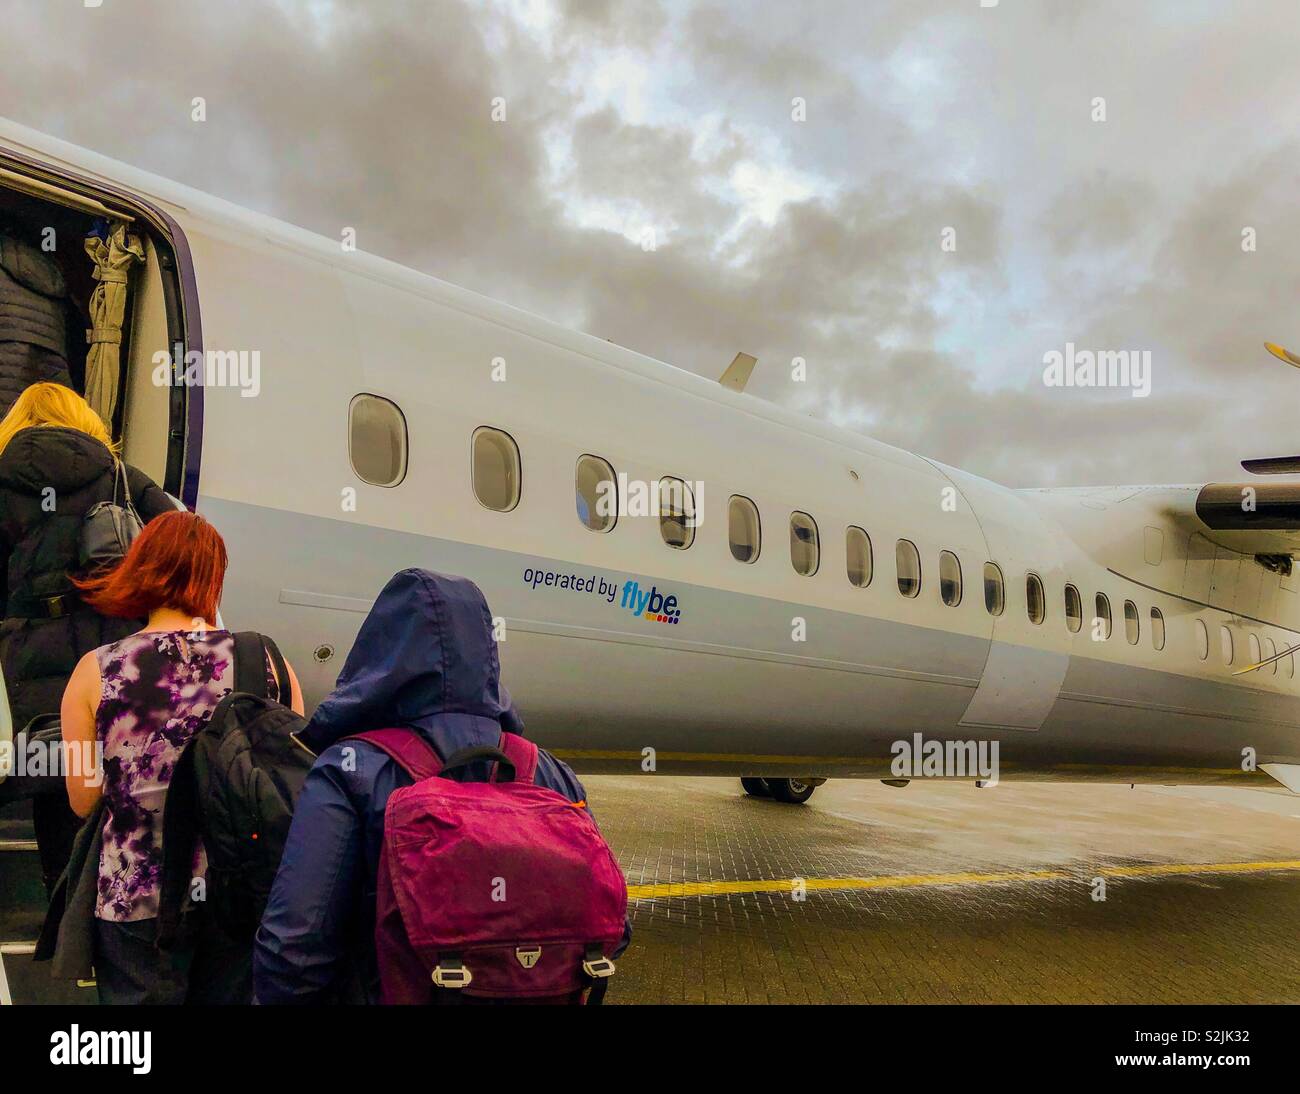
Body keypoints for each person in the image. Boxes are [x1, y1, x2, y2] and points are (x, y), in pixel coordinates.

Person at [254, 568, 630, 1004]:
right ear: (487, 655)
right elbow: (615, 931)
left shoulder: (349, 770)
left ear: (379, 650)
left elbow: (295, 952)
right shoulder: (550, 774)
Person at [60, 510, 303, 1004]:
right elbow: (293, 781)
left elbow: (84, 800)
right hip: (238, 894)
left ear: (142, 569)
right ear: (214, 577)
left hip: (134, 901)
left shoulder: (94, 671)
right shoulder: (267, 660)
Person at [0, 381, 174, 893]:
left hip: (32, 650)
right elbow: (175, 551)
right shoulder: (120, 476)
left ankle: (61, 897)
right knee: (116, 767)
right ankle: (114, 899)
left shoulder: (4, 477)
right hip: (113, 645)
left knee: (52, 768)